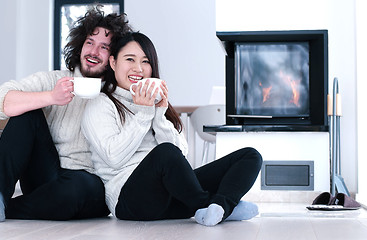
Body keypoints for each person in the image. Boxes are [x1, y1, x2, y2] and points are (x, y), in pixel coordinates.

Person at [0, 7, 132, 222]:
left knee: (81, 187)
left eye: (104, 47)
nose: (94, 52)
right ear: (79, 46)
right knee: (26, 111)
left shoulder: (118, 96)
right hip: (44, 176)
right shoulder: (54, 80)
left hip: (86, 185)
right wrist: (50, 97)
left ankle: (2, 206)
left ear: (114, 58)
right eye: (89, 43)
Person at [81, 32, 263, 226]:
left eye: (145, 61)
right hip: (131, 201)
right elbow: (113, 157)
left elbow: (180, 155)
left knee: (250, 156)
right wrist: (144, 114)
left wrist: (159, 113)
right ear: (113, 62)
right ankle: (212, 205)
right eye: (130, 59)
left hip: (173, 197)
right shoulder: (100, 104)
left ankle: (219, 207)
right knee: (164, 153)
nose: (138, 68)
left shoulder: (153, 103)